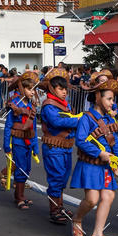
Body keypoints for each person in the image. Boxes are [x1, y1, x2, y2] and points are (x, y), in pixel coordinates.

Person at [70, 72, 118, 236]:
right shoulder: (86, 117)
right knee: (92, 200)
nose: (112, 103)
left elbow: (115, 143)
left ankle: (98, 235)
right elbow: (80, 141)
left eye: (113, 99)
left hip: (106, 166)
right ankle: (77, 218)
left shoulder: (110, 118)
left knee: (109, 195)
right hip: (90, 164)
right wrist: (100, 153)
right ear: (97, 97)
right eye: (109, 99)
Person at [39, 67, 79, 225]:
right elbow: (57, 122)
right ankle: (54, 210)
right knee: (56, 178)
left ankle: (59, 207)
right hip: (54, 147)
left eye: (65, 89)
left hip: (65, 146)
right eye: (60, 89)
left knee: (62, 178)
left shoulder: (64, 104)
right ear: (52, 89)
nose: (64, 92)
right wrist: (78, 120)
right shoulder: (48, 105)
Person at [3, 71, 39, 210]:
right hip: (18, 142)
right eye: (29, 89)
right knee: (21, 169)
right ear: (22, 89)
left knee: (27, 169)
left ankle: (21, 195)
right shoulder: (15, 104)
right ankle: (19, 197)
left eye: (33, 89)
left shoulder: (32, 106)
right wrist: (6, 145)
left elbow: (33, 128)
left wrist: (35, 146)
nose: (32, 92)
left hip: (29, 142)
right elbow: (8, 126)